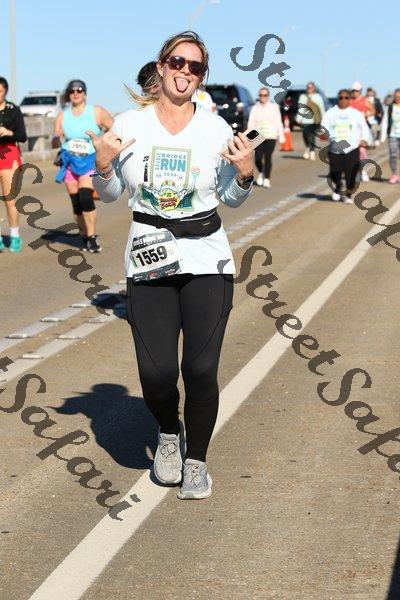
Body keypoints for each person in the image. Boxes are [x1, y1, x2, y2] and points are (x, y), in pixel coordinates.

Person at [91, 31, 254, 500]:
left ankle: (196, 461)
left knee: (200, 370)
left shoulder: (216, 128)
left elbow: (230, 198)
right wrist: (103, 165)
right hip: (150, 255)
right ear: (161, 67)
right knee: (157, 375)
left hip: (206, 257)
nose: (185, 72)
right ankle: (168, 431)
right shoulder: (129, 123)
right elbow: (110, 194)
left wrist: (245, 174)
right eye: (177, 62)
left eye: (195, 67)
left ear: (202, 77)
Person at [54, 79, 113, 252]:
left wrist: (103, 144)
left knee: (85, 197)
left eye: (79, 90)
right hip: (69, 161)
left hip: (89, 161)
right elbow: (55, 138)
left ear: (84, 93)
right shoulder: (62, 116)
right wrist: (56, 138)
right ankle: (85, 235)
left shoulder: (96, 112)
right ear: (68, 94)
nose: (76, 93)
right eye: (72, 91)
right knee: (77, 204)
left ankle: (92, 237)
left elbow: (113, 127)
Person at [320, 89, 370, 204]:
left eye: (346, 98)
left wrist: (364, 139)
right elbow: (324, 126)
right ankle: (338, 186)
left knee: (351, 174)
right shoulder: (331, 113)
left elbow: (365, 128)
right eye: (341, 98)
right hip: (335, 148)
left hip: (352, 148)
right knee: (334, 172)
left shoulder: (356, 113)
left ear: (350, 99)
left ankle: (348, 195)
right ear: (338, 99)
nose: (343, 100)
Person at [0, 76, 27, 252]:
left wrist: (8, 132)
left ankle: (15, 236)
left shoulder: (14, 110)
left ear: (5, 92)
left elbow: (22, 136)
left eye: (0, 91)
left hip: (9, 154)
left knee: (9, 199)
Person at [247, 86, 285, 187]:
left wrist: (281, 135)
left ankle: (267, 178)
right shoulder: (255, 108)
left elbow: (278, 122)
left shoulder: (274, 107)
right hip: (258, 136)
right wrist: (249, 137)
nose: (263, 97)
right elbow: (251, 123)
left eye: (265, 95)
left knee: (268, 157)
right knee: (258, 158)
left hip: (271, 136)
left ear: (268, 96)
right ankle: (261, 172)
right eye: (261, 95)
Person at [349, 82, 374, 181]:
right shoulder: (349, 101)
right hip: (351, 131)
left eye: (357, 91)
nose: (355, 92)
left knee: (362, 151)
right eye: (353, 90)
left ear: (360, 91)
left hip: (362, 130)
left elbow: (373, 111)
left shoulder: (365, 100)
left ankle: (363, 172)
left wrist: (366, 113)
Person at [297, 82, 325, 160]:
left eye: (311, 87)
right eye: (308, 87)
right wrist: (299, 118)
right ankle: (307, 148)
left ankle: (312, 151)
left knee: (312, 136)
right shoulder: (303, 97)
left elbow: (321, 108)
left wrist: (323, 119)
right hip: (304, 120)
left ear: (314, 88)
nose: (309, 89)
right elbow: (300, 108)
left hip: (314, 120)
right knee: (305, 135)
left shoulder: (318, 97)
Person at [380, 88, 400, 184]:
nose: (398, 98)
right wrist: (382, 137)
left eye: (399, 96)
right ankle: (394, 174)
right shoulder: (390, 108)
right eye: (396, 96)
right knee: (393, 155)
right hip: (393, 135)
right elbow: (384, 122)